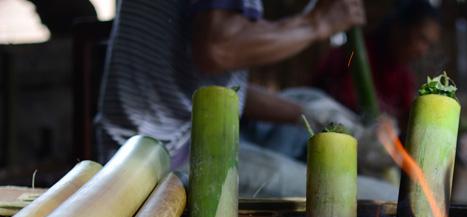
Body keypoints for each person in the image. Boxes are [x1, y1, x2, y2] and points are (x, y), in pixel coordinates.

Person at [97, 0, 398, 199]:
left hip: (157, 138)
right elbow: (219, 48)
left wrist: (310, 113)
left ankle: (365, 144)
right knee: (382, 197)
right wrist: (317, 23)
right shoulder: (219, 28)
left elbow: (213, 90)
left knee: (309, 101)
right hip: (160, 162)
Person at [313, 0, 441, 130]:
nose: (422, 51)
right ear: (399, 27)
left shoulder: (404, 79)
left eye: (428, 45)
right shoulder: (352, 55)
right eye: (421, 38)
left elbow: (405, 122)